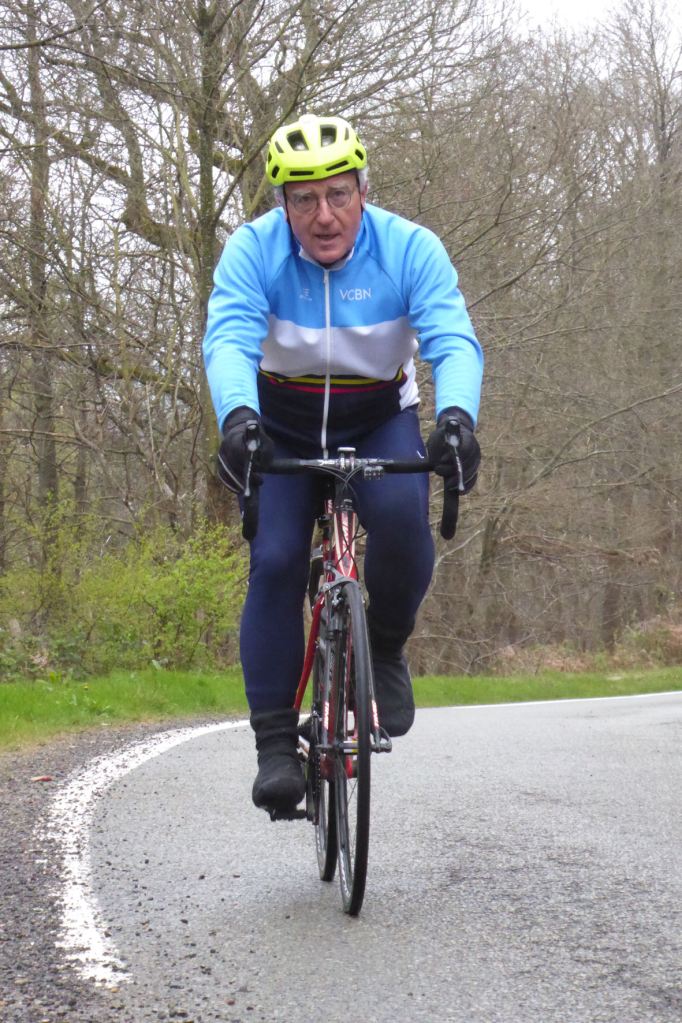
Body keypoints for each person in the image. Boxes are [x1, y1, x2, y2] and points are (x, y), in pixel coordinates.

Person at [203, 113, 483, 816]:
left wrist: (456, 419)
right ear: (282, 204)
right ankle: (275, 745)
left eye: (338, 194)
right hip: (281, 420)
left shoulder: (410, 248)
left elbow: (452, 339)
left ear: (363, 191)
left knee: (402, 524)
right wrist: (238, 418)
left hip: (376, 415)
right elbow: (229, 338)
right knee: (274, 560)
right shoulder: (253, 251)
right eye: (303, 199)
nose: (323, 215)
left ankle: (383, 647)